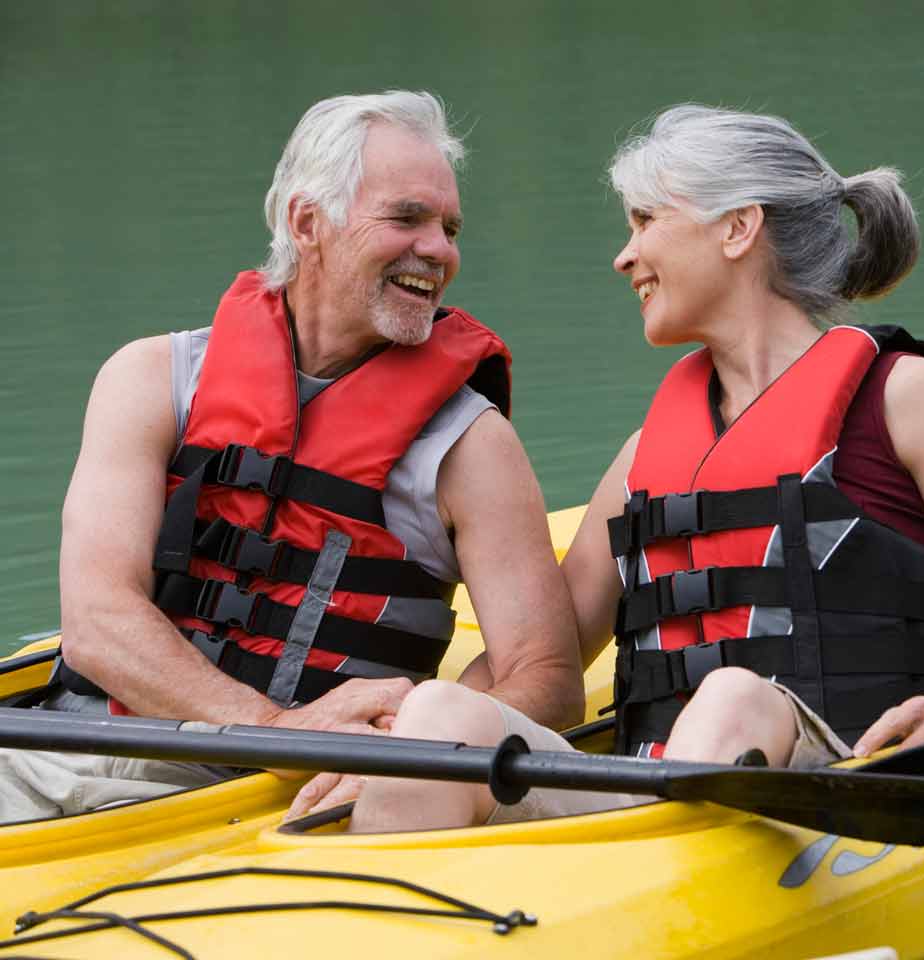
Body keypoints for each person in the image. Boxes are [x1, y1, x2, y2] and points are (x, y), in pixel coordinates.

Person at [288, 105, 924, 832]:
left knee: (732, 699)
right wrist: (403, 740)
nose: (624, 255)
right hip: (651, 799)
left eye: (645, 220)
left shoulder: (905, 396)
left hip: (845, 779)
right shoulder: (645, 457)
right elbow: (540, 656)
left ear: (737, 229)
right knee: (442, 714)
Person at [0, 90, 583, 822]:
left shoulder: (470, 445)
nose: (440, 249)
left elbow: (546, 676)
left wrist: (415, 751)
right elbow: (98, 622)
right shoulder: (150, 379)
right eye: (407, 218)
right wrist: (274, 730)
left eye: (450, 227)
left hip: (298, 799)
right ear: (308, 223)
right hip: (72, 749)